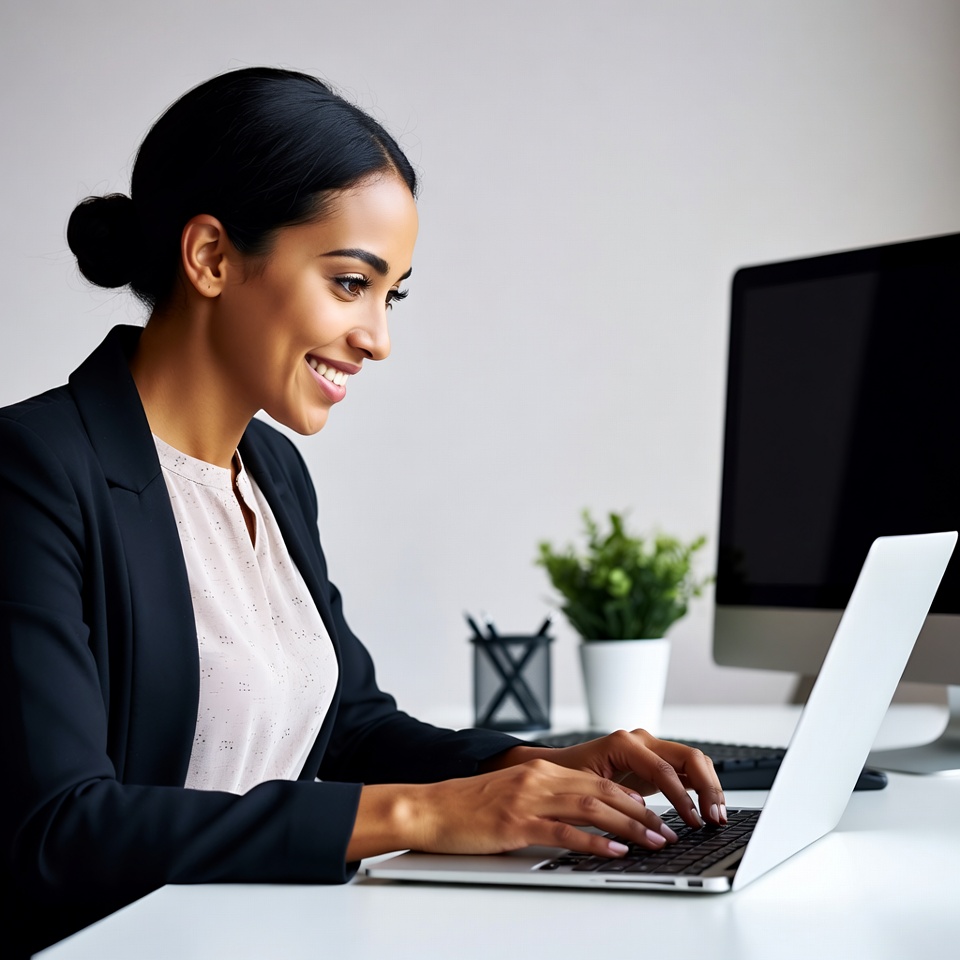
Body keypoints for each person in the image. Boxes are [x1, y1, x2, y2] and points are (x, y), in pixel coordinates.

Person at [0, 67, 725, 955]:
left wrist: (529, 765)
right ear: (212, 257)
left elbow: (348, 725)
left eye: (392, 294)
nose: (378, 338)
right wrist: (425, 813)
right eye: (351, 283)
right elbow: (62, 829)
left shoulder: (273, 471)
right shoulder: (33, 471)